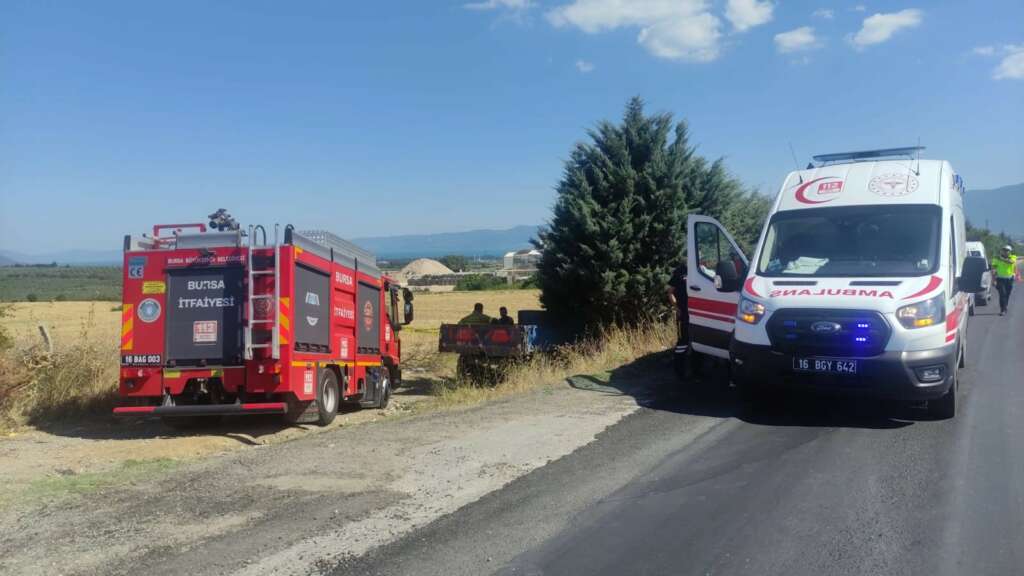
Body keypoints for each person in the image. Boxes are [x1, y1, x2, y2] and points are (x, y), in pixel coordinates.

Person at [667, 260, 692, 378]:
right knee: (683, 340)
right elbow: (670, 292)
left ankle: (695, 370)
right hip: (683, 312)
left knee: (695, 340)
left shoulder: (699, 270)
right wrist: (676, 308)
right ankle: (679, 370)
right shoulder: (680, 271)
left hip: (697, 311)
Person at [992, 245, 1019, 316]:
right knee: (1002, 294)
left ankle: (1005, 306)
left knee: (1007, 294)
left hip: (1009, 279)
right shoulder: (996, 258)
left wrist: (1001, 258)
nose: (1005, 251)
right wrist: (994, 280)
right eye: (1004, 250)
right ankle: (1002, 310)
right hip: (1000, 279)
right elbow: (994, 269)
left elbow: (1011, 262)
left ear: (1010, 252)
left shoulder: (1013, 257)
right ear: (1001, 251)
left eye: (1007, 250)